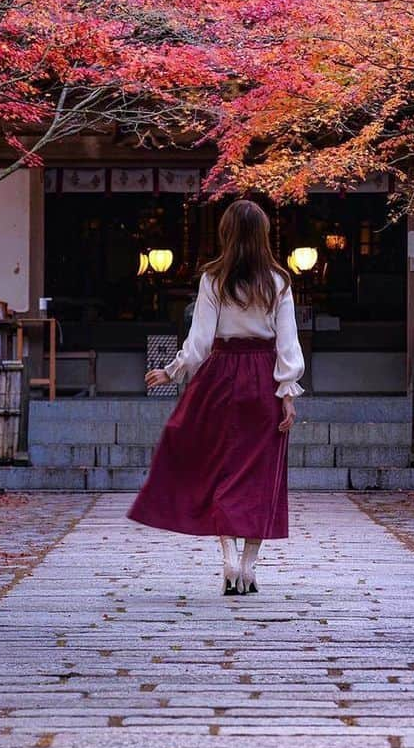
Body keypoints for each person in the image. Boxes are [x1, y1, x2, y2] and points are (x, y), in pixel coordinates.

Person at [127, 199, 305, 595]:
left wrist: (171, 371)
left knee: (218, 467)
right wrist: (287, 392)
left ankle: (227, 558)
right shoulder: (278, 281)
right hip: (263, 379)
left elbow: (200, 341)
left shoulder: (213, 278)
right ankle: (249, 566)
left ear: (226, 233)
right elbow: (288, 343)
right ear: (263, 236)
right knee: (261, 474)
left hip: (220, 376)